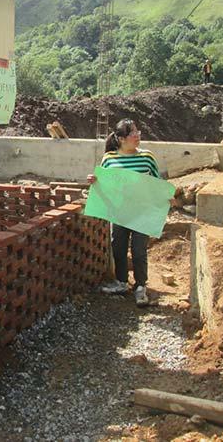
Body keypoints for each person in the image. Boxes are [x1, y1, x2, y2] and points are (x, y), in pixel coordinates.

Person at [87, 119, 163, 307]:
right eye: (132, 133)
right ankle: (121, 282)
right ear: (121, 139)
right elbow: (104, 182)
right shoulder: (109, 158)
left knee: (138, 251)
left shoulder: (147, 157)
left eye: (137, 131)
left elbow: (156, 183)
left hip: (142, 212)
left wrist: (163, 198)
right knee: (118, 248)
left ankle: (140, 287)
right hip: (119, 213)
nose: (137, 136)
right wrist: (94, 180)